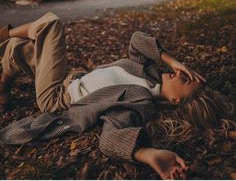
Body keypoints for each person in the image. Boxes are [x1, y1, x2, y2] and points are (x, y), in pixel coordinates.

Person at [0, 12, 232, 180]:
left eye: (188, 81)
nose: (185, 74)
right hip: (69, 79)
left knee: (50, 24)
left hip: (57, 96)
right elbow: (137, 40)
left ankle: (2, 33)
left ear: (176, 101)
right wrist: (172, 60)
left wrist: (146, 153)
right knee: (19, 48)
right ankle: (3, 87)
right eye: (188, 73)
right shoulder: (147, 73)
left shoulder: (139, 103)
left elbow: (111, 139)